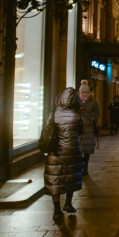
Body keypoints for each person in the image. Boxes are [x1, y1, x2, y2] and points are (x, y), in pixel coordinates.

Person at [41, 88, 84, 219]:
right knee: (71, 176)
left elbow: (46, 130)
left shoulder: (53, 114)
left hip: (56, 152)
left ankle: (56, 209)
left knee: (55, 179)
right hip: (72, 150)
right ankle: (68, 204)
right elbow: (80, 131)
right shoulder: (77, 115)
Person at [78, 80, 100, 175]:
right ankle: (81, 164)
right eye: (82, 92)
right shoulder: (76, 101)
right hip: (78, 128)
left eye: (86, 92)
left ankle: (85, 165)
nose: (84, 94)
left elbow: (97, 112)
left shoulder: (93, 101)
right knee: (78, 148)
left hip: (88, 128)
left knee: (87, 148)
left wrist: (93, 119)